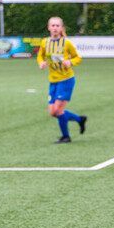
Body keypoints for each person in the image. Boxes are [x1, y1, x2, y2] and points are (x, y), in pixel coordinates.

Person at [36, 16, 87, 144]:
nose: (55, 28)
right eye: (52, 25)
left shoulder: (66, 43)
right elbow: (40, 56)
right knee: (53, 112)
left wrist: (70, 62)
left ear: (61, 28)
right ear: (48, 28)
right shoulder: (44, 42)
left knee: (58, 110)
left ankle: (66, 137)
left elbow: (78, 58)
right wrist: (41, 63)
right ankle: (79, 119)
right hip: (53, 81)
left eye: (57, 26)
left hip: (66, 80)